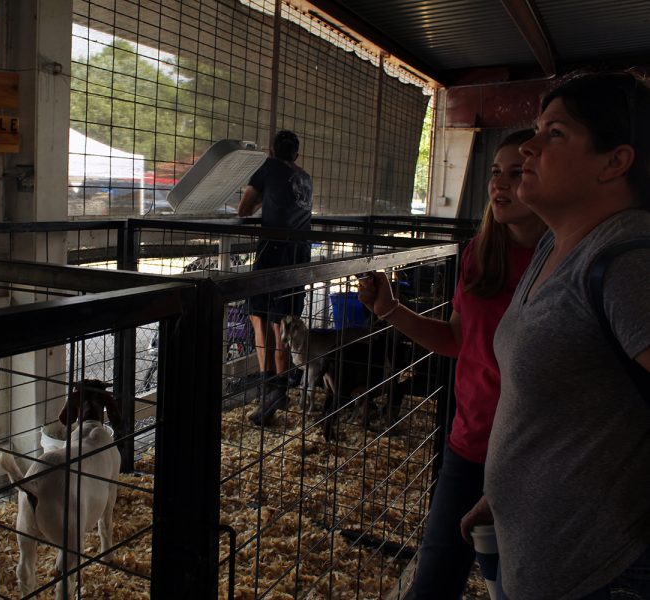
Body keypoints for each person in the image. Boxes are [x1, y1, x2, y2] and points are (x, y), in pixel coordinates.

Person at [460, 71, 650, 599]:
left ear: (615, 161)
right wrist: (503, 493)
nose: (530, 147)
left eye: (556, 134)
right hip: (538, 559)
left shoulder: (628, 263)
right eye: (537, 130)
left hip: (601, 575)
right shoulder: (555, 244)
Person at [357, 129, 546, 599]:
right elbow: (458, 340)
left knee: (522, 581)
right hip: (472, 440)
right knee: (435, 578)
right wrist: (390, 311)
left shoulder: (567, 260)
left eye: (516, 173)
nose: (500, 184)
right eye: (495, 174)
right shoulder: (480, 256)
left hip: (538, 452)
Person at [237, 130, 313, 426]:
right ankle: (281, 387)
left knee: (258, 317)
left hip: (273, 250)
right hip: (300, 254)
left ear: (271, 150)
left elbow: (244, 209)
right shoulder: (305, 177)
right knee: (284, 318)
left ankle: (269, 387)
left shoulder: (267, 168)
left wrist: (262, 198)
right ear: (296, 155)